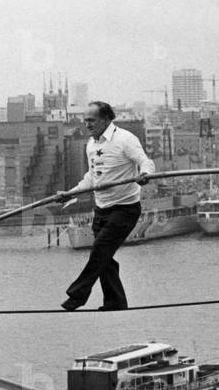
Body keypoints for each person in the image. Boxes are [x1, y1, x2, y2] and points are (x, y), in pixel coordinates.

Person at [55, 101, 155, 311]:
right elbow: (92, 178)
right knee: (105, 257)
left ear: (106, 119)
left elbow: (145, 162)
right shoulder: (91, 145)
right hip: (102, 209)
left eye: (91, 120)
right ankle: (115, 301)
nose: (87, 124)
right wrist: (70, 195)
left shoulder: (125, 139)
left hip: (125, 208)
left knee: (99, 251)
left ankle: (77, 295)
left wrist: (145, 175)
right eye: (86, 121)